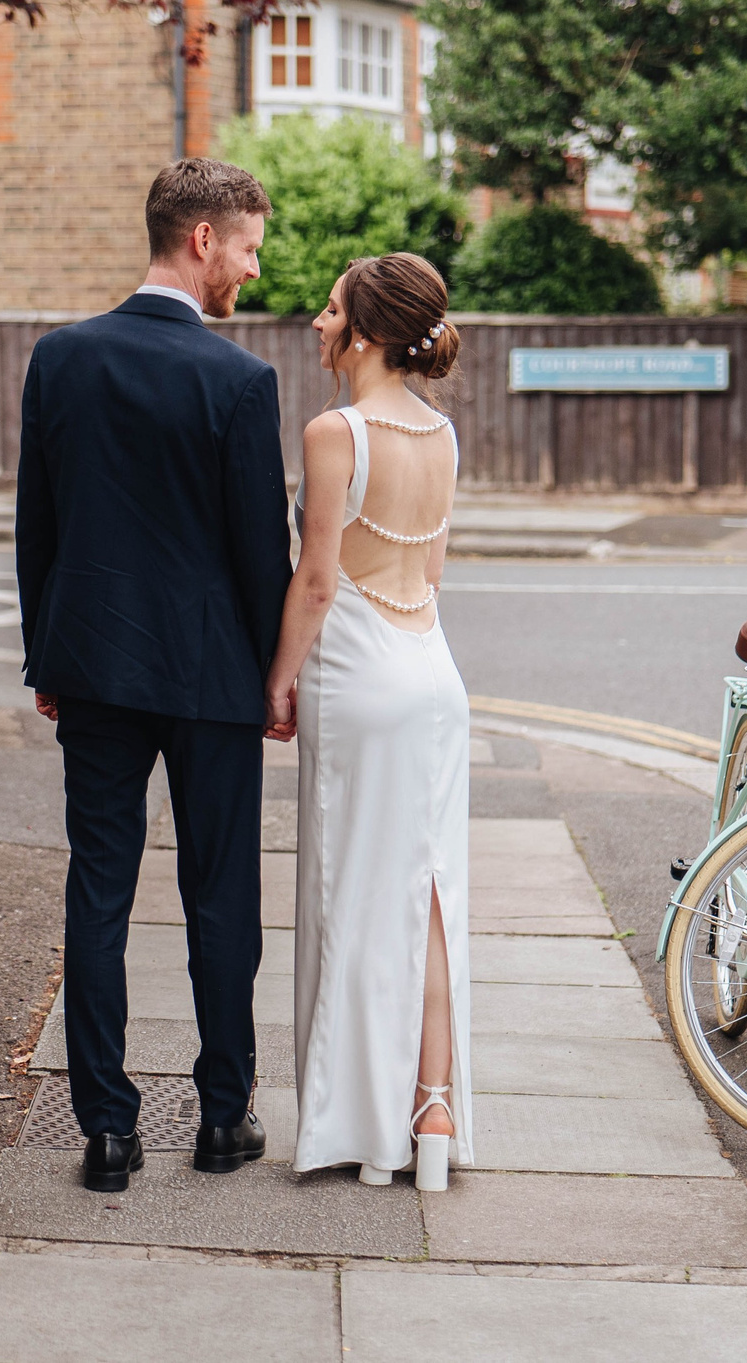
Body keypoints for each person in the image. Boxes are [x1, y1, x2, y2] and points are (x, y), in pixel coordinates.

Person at [14, 158, 292, 1194]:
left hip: (92, 665)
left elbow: (35, 524)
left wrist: (48, 655)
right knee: (222, 899)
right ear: (203, 241)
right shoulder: (238, 382)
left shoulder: (62, 358)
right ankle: (225, 1118)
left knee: (100, 889)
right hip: (214, 677)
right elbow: (260, 550)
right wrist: (276, 675)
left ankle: (107, 1131)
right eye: (250, 249)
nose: (253, 273)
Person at [267, 253, 475, 1194]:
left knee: (351, 893)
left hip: (358, 678)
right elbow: (431, 577)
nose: (317, 320)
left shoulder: (334, 430)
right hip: (433, 675)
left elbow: (316, 581)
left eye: (331, 307)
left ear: (367, 330)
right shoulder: (443, 435)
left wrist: (280, 677)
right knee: (429, 893)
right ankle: (433, 1105)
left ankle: (358, 1125)